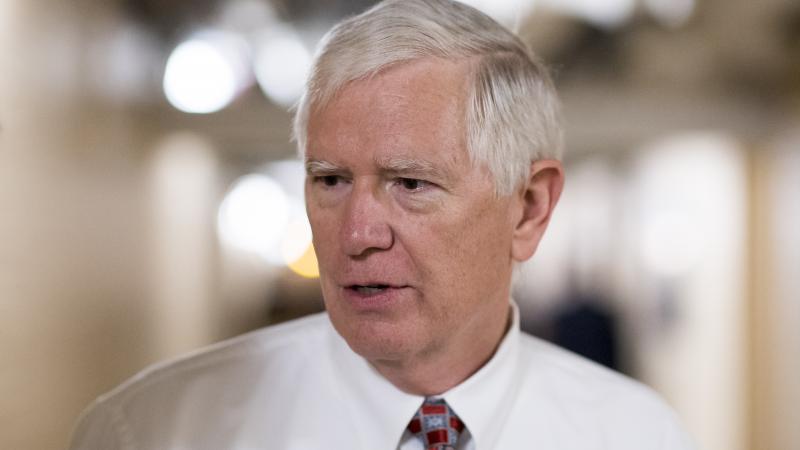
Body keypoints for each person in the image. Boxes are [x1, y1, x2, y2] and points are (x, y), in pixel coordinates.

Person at [70, 0, 694, 449]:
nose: (356, 234)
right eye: (330, 181)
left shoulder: (639, 434)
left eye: (411, 184)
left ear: (529, 208)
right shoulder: (151, 431)